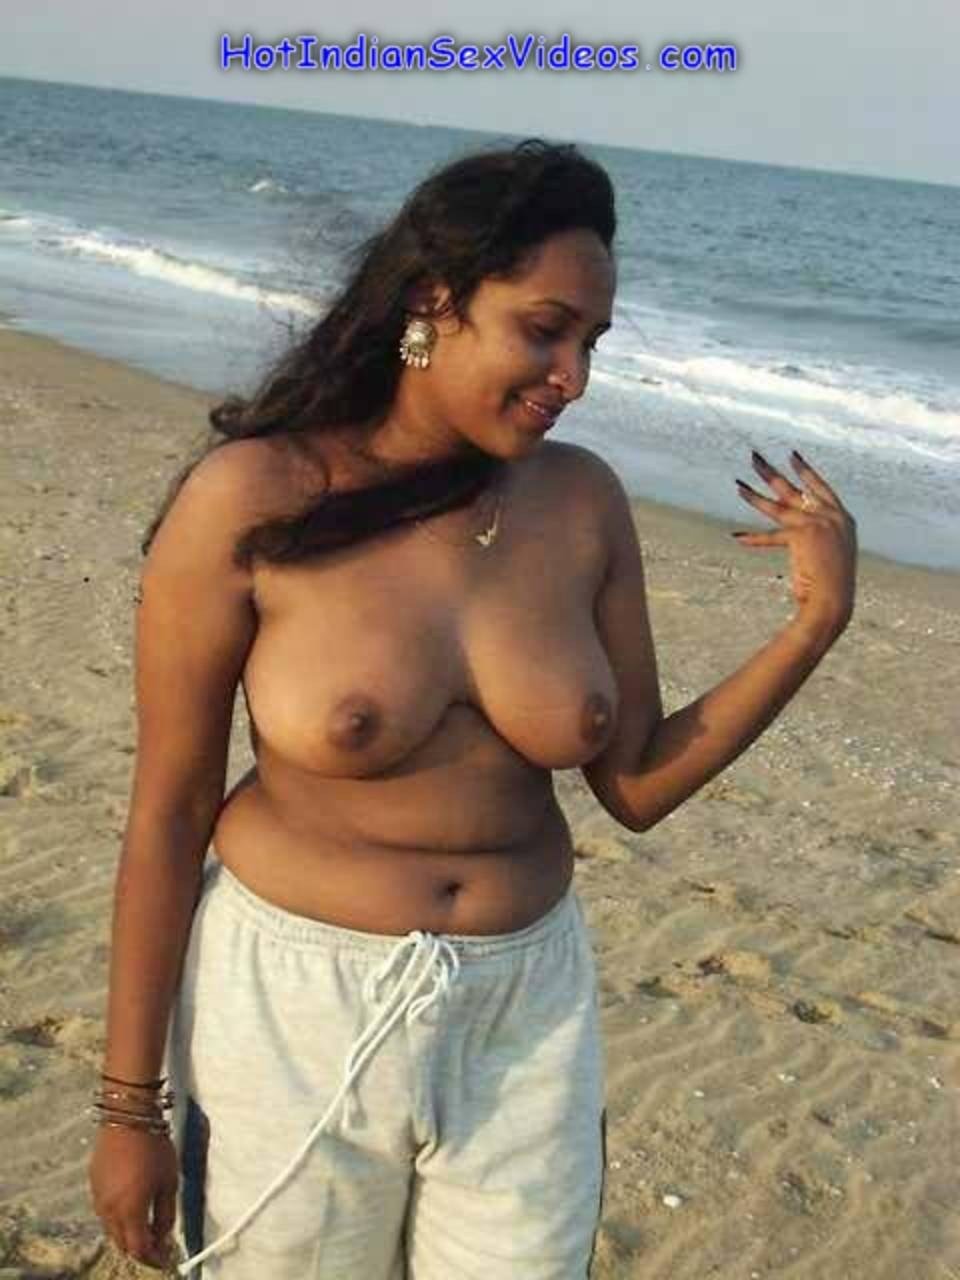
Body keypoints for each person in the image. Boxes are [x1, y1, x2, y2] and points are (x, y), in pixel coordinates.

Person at [87, 138, 857, 1278]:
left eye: (593, 342)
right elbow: (169, 810)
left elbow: (637, 782)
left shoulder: (582, 501)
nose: (574, 376)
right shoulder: (254, 496)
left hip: (524, 1013)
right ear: (433, 302)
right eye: (544, 330)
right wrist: (127, 1105)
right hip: (293, 1007)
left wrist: (813, 625)